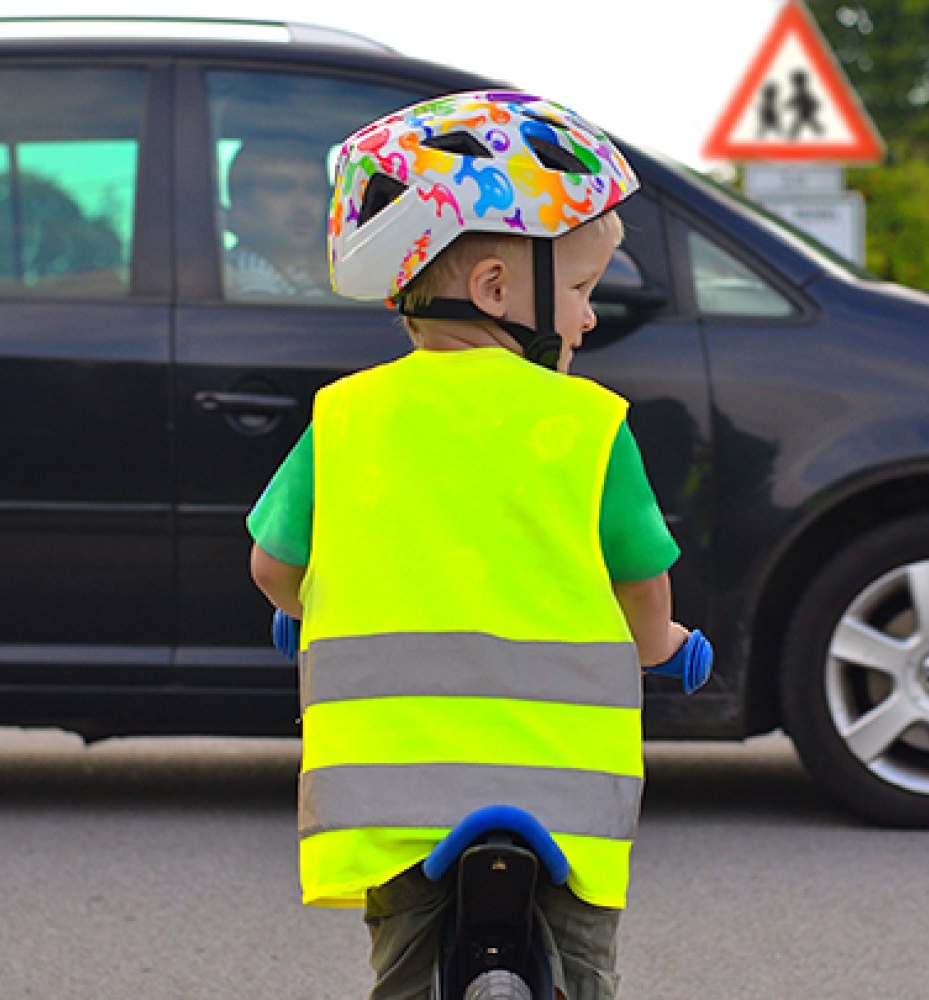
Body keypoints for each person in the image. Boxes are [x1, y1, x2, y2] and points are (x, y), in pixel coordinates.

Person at [246, 91, 692, 1000]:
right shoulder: (588, 425)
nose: (589, 316)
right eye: (577, 289)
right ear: (496, 289)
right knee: (580, 967)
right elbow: (642, 577)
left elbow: (273, 568)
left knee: (407, 974)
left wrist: (309, 610)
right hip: (563, 793)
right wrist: (662, 649)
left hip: (389, 796)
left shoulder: (343, 419)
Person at [221, 140, 333, 299]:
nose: (302, 205)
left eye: (314, 190)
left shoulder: (322, 274)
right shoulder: (237, 280)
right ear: (242, 203)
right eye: (281, 188)